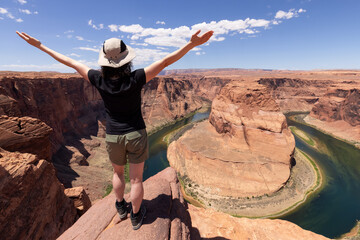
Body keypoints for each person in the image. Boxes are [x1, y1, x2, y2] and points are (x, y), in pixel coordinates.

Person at [16, 29, 213, 230]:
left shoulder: (98, 79)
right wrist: (191, 44)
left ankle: (120, 207)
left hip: (113, 136)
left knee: (118, 174)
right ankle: (136, 217)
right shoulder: (137, 77)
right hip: (136, 133)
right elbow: (164, 62)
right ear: (126, 59)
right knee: (136, 179)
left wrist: (40, 46)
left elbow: (70, 61)